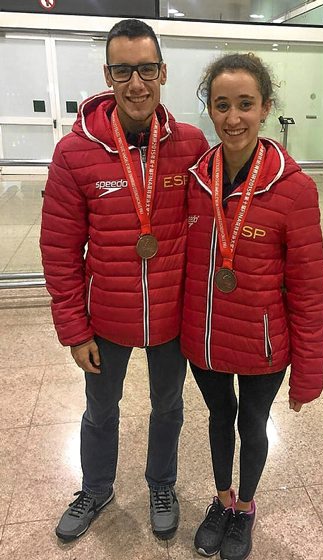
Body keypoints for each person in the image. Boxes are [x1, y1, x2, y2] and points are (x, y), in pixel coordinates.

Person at [40, 18, 209, 543]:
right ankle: (96, 488)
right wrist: (75, 330)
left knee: (169, 406)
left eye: (146, 69)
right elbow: (60, 250)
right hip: (106, 317)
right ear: (107, 75)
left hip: (172, 316)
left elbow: (209, 228)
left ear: (163, 72)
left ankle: (161, 484)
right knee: (99, 409)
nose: (136, 83)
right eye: (123, 71)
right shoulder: (74, 153)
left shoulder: (191, 144)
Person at [180, 53, 323, 560]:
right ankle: (221, 499)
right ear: (210, 109)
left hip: (263, 344)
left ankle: (244, 507)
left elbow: (309, 290)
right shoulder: (195, 180)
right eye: (222, 105)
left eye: (245, 104)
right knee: (219, 418)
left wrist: (308, 373)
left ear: (266, 107)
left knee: (252, 424)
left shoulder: (295, 189)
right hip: (204, 338)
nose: (233, 117)